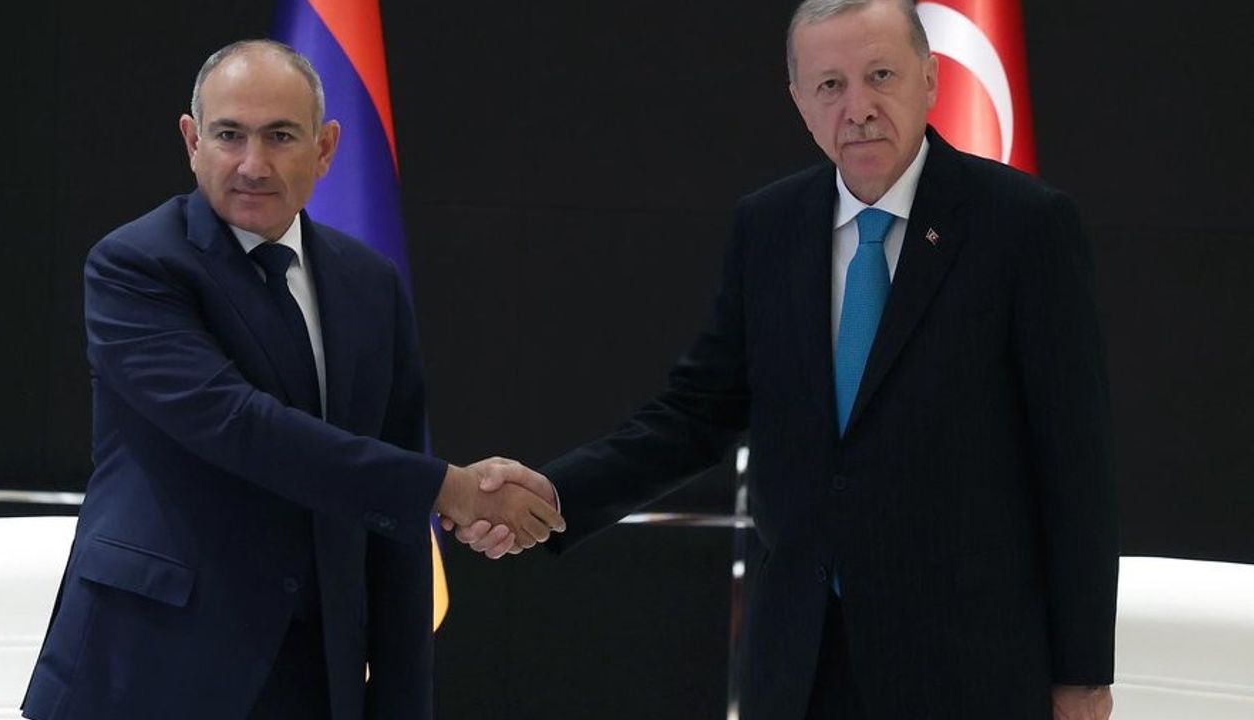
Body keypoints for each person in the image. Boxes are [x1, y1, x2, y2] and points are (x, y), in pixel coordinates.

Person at [450, 1, 1117, 718]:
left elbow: (1075, 466)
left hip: (967, 672)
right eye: (830, 85)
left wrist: (1081, 675)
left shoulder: (1023, 226)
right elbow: (695, 414)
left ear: (929, 79)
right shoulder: (770, 226)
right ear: (800, 102)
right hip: (799, 664)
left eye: (881, 75)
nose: (858, 108)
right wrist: (555, 494)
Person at [21, 40, 563, 720]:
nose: (253, 164)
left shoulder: (370, 284)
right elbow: (238, 425)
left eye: (280, 136)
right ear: (192, 141)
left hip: (312, 676)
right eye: (229, 135)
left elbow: (393, 525)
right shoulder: (135, 265)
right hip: (147, 668)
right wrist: (448, 489)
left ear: (326, 148)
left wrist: (402, 702)